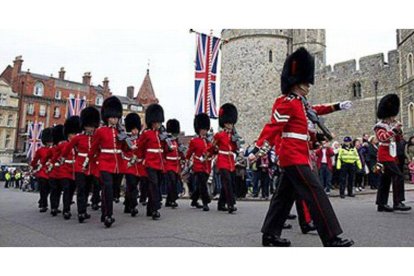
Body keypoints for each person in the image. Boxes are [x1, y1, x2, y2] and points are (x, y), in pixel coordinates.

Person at [249, 47, 354, 247]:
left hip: (299, 155)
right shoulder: (286, 102)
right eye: (306, 82)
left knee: (282, 198)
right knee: (316, 193)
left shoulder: (301, 103)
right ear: (296, 82)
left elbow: (316, 110)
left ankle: (270, 235)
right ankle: (331, 237)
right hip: (292, 156)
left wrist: (337, 106)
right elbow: (273, 127)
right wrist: (258, 149)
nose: (308, 86)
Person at [88, 96, 125, 227]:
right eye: (112, 117)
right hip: (104, 163)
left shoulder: (120, 132)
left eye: (116, 117)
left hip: (117, 165)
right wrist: (92, 162)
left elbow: (125, 148)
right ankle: (108, 215)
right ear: (107, 117)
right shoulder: (100, 131)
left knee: (112, 189)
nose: (115, 119)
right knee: (107, 188)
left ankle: (105, 213)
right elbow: (93, 149)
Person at [61, 106, 100, 223]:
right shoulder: (78, 138)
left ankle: (83, 210)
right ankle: (81, 212)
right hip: (80, 166)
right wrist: (63, 158)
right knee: (81, 189)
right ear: (84, 126)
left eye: (93, 126)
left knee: (87, 189)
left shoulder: (96, 138)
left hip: (91, 166)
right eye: (89, 126)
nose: (91, 128)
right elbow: (67, 149)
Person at [374, 94, 411, 212]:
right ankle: (398, 202)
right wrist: (394, 130)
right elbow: (382, 138)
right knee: (398, 175)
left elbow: (398, 140)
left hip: (391, 154)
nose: (393, 118)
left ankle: (381, 204)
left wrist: (399, 132)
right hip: (384, 155)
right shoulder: (380, 127)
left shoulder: (390, 126)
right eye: (392, 116)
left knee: (385, 179)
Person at [208, 103, 242, 214]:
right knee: (227, 181)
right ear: (224, 124)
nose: (230, 125)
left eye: (231, 123)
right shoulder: (219, 135)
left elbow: (235, 149)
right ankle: (231, 204)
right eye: (228, 123)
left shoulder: (233, 136)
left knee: (229, 183)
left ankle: (221, 203)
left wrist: (236, 142)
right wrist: (211, 153)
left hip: (231, 161)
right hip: (222, 160)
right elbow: (212, 146)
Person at [136, 103, 165, 220]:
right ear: (151, 122)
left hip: (160, 163)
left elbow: (164, 150)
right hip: (150, 162)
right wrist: (141, 159)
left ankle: (149, 208)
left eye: (159, 122)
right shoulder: (146, 134)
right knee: (153, 184)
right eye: (156, 122)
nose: (158, 124)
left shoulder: (161, 135)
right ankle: (155, 209)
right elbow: (140, 147)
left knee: (156, 185)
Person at [50, 116, 81, 220]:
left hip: (74, 169)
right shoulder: (63, 145)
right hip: (64, 170)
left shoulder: (78, 145)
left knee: (71, 190)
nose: (75, 136)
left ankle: (66, 207)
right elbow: (55, 156)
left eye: (76, 133)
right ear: (68, 134)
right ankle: (66, 210)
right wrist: (53, 164)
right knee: (66, 189)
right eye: (73, 134)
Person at [185, 113, 212, 211]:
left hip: (207, 165)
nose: (204, 131)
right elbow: (189, 152)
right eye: (202, 129)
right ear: (199, 130)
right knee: (203, 184)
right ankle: (205, 202)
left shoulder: (209, 141)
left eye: (205, 129)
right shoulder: (194, 141)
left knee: (202, 184)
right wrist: (186, 160)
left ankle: (194, 199)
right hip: (198, 165)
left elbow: (212, 152)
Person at [121, 112, 142, 217]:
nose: (135, 131)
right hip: (129, 164)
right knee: (132, 185)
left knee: (132, 187)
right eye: (133, 129)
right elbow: (122, 151)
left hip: (138, 165)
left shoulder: (140, 140)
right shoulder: (126, 140)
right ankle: (133, 206)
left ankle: (127, 205)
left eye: (136, 129)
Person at [30, 127, 53, 212]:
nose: (50, 143)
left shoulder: (55, 149)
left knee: (49, 190)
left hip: (52, 172)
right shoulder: (40, 150)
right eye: (48, 141)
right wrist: (32, 166)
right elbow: (35, 160)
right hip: (43, 172)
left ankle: (43, 201)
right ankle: (44, 205)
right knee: (43, 189)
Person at [163, 119, 183, 209]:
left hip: (176, 165)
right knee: (171, 182)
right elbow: (164, 152)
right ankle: (173, 200)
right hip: (168, 164)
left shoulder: (177, 141)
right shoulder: (167, 141)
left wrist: (183, 158)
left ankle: (169, 200)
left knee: (174, 182)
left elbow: (180, 152)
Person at [48, 124, 65, 216]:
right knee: (54, 190)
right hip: (53, 172)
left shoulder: (64, 147)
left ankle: (56, 206)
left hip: (61, 171)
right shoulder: (52, 149)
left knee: (58, 190)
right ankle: (53, 207)